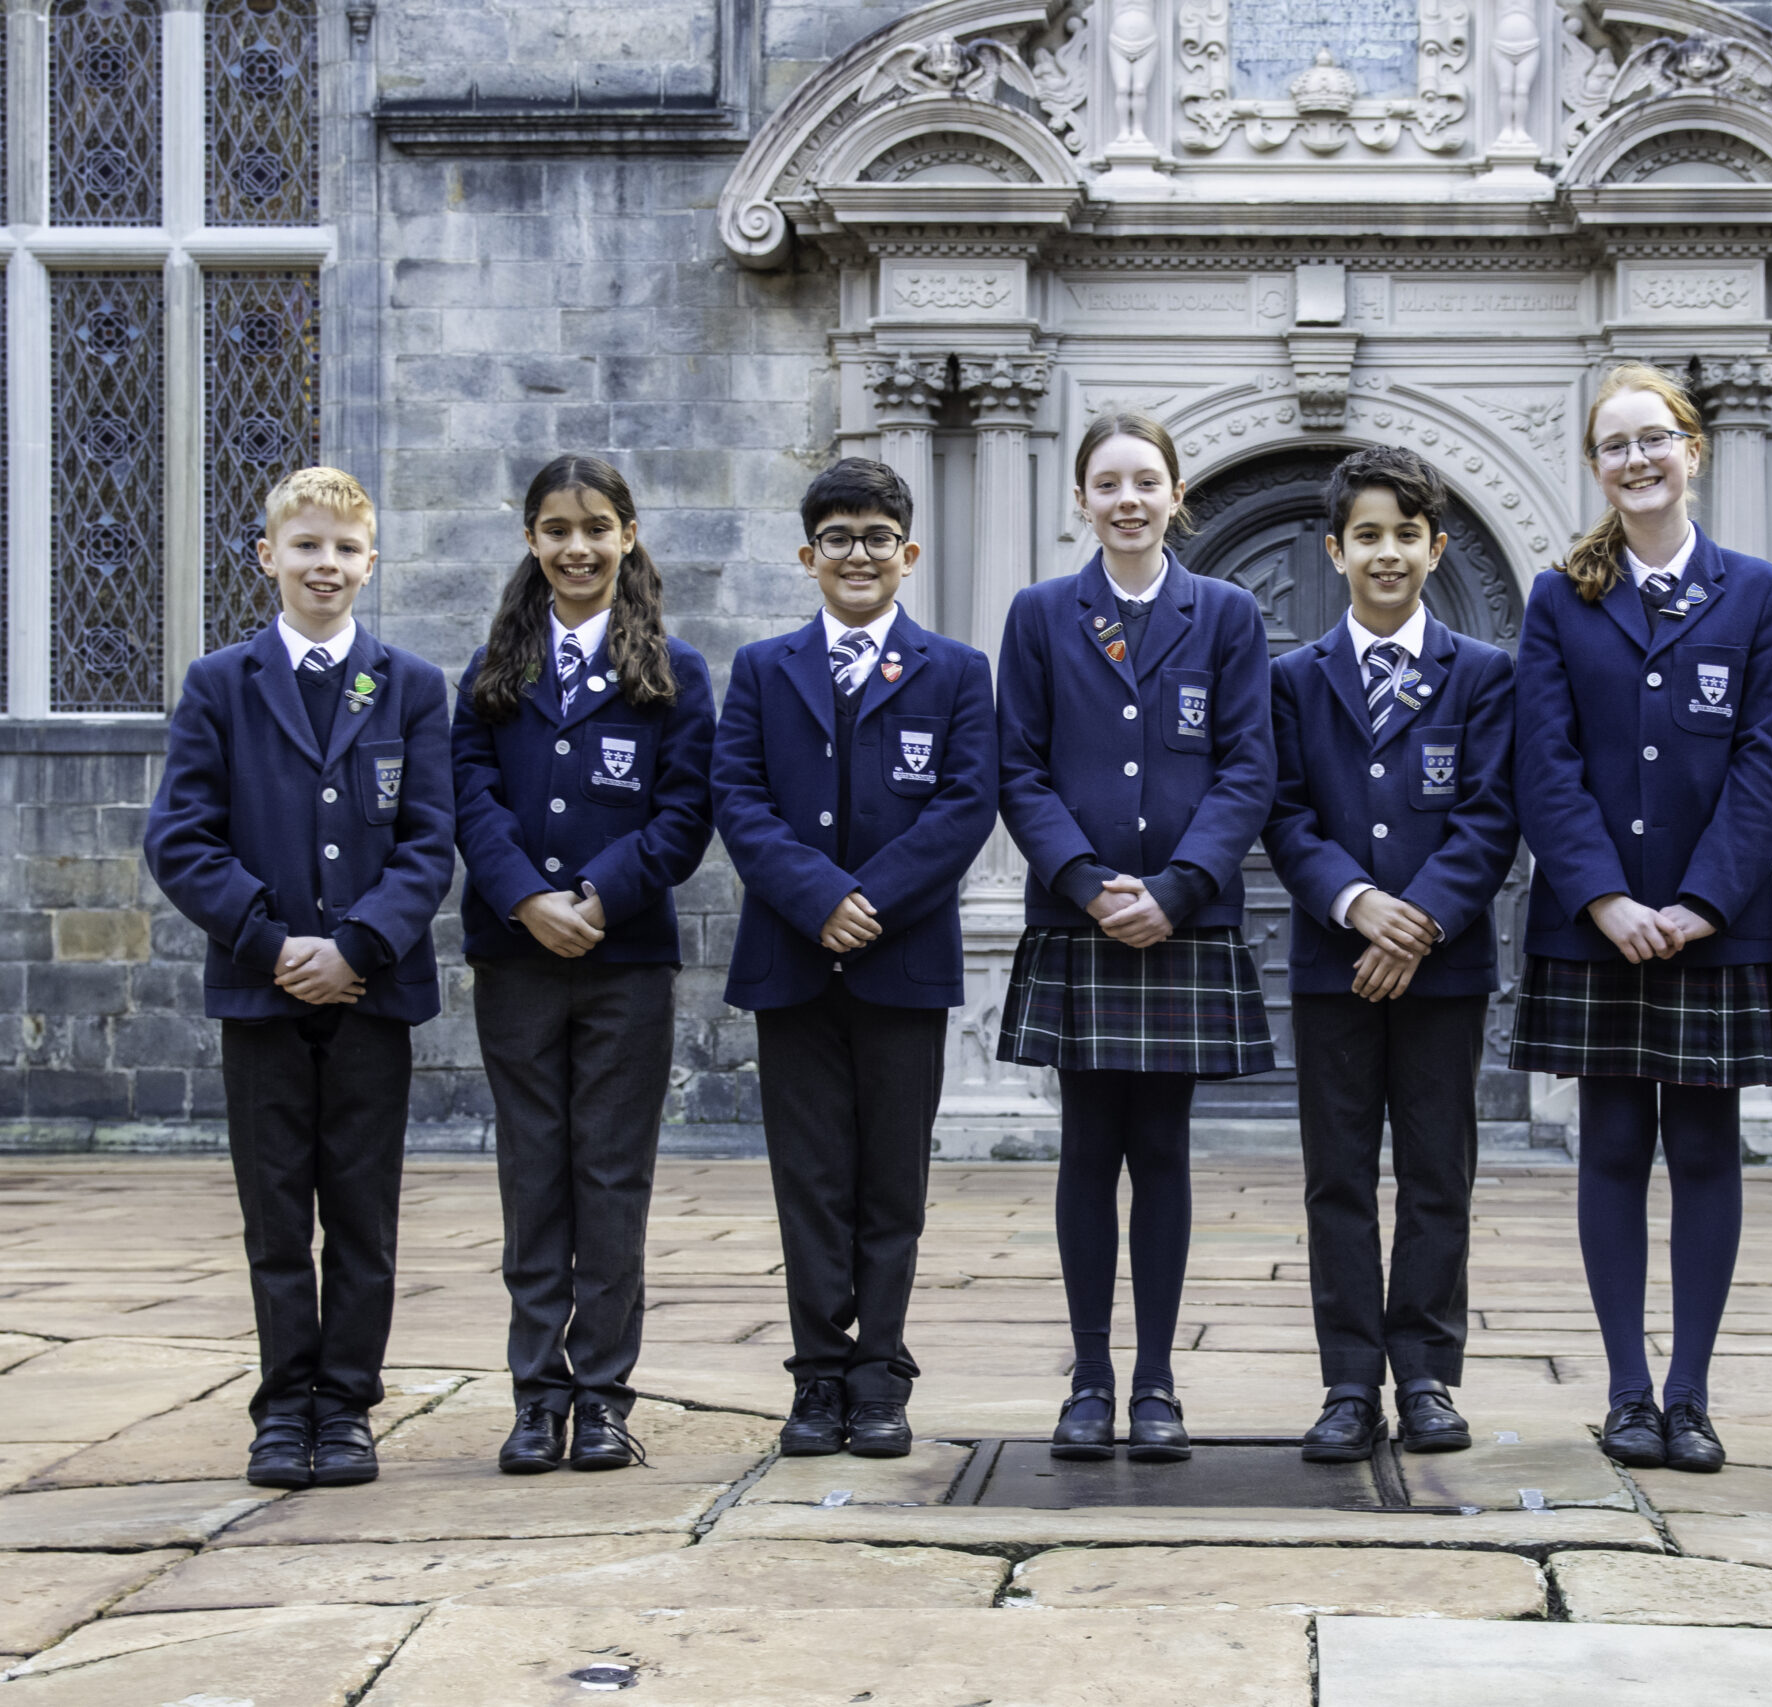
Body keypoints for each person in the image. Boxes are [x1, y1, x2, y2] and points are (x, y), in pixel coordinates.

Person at [1510, 363, 1772, 1473]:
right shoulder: (1558, 597)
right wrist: (1606, 898)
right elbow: (1546, 764)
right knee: (1615, 1148)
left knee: (1706, 1150)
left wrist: (1697, 903)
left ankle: (1692, 1393)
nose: (1637, 461)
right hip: (1596, 925)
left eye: (1653, 440)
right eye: (1615, 446)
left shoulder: (1758, 594)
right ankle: (1628, 1391)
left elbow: (1767, 764)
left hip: (1710, 925)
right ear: (1596, 468)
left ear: (1693, 449)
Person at [145, 467, 455, 1491]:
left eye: (345, 549)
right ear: (268, 555)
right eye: (307, 546)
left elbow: (427, 840)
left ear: (372, 563)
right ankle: (284, 1408)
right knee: (277, 1212)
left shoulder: (408, 686)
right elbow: (182, 837)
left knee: (362, 1212)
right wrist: (271, 942)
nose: (326, 565)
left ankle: (347, 1404)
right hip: (261, 991)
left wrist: (359, 945)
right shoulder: (219, 686)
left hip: (372, 992)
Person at [997, 411, 1277, 1464]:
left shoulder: (1228, 613)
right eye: (1106, 482)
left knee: (1160, 1150)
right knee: (1086, 1149)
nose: (1126, 499)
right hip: (1079, 920)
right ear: (1082, 500)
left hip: (1184, 921)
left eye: (1145, 482)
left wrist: (1182, 885)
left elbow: (1249, 766)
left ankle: (1155, 1382)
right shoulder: (1039, 615)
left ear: (1174, 496)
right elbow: (1016, 766)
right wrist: (1081, 882)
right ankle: (1087, 1379)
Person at [714, 458, 999, 1459]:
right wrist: (816, 898)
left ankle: (880, 1373)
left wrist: (867, 899)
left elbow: (966, 804)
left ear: (906, 553)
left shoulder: (957, 671)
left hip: (900, 959)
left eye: (877, 538)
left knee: (890, 1180)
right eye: (838, 538)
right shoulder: (762, 669)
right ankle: (816, 1377)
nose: (858, 555)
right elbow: (738, 800)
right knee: (810, 1178)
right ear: (809, 555)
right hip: (792, 962)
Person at [450, 455, 716, 1474]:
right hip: (515, 955)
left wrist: (599, 895)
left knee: (610, 1177)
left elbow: (685, 812)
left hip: (625, 955)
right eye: (557, 529)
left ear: (629, 535)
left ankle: (602, 1397)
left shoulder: (674, 671)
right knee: (533, 1176)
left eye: (595, 527)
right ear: (531, 541)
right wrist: (525, 898)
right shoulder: (492, 670)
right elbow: (470, 797)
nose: (577, 547)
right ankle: (534, 1396)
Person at [1264, 446, 1519, 1463]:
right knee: (1335, 1176)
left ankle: (1425, 1375)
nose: (1386, 553)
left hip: (1443, 972)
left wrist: (1419, 921)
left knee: (1433, 1174)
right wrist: (1359, 905)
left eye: (1405, 535)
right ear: (1334, 551)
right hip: (1333, 966)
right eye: (1366, 535)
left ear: (1435, 546)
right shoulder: (1290, 680)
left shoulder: (1484, 676)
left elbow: (1492, 815)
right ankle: (1344, 1380)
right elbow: (1282, 816)